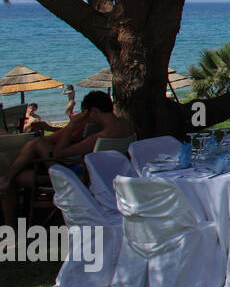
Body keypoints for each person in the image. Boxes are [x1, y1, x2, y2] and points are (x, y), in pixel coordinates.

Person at [1, 91, 132, 226]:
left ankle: (9, 226)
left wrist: (72, 124)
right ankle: (8, 181)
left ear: (93, 111)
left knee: (18, 176)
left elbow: (59, 153)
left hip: (83, 178)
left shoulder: (100, 136)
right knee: (34, 152)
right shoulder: (126, 125)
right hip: (106, 176)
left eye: (85, 114)